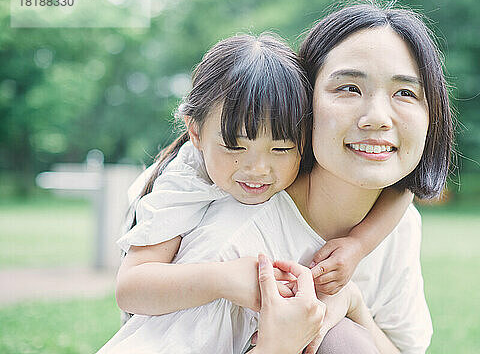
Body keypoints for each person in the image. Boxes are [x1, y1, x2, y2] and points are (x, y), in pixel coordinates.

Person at [97, 30, 414, 353]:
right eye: (235, 146)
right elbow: (131, 288)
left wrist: (358, 245)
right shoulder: (185, 178)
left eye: (280, 149)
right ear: (195, 131)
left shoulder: (306, 159)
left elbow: (401, 190)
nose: (258, 169)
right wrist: (220, 279)